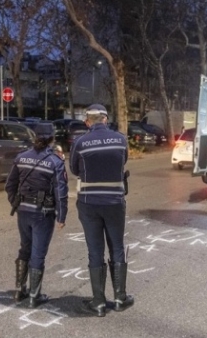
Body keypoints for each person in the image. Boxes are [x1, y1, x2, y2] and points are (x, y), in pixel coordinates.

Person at [69, 104, 134, 317]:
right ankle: (119, 298)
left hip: (89, 204)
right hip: (115, 202)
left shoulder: (80, 142)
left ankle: (98, 303)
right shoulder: (121, 140)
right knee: (117, 246)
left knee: (94, 250)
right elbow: (123, 161)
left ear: (88, 121)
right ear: (105, 119)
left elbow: (74, 169)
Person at [5, 135, 68, 308]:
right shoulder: (55, 162)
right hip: (43, 213)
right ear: (51, 140)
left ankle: (19, 290)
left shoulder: (21, 157)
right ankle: (34, 296)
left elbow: (10, 185)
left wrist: (15, 202)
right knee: (38, 253)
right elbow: (60, 192)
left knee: (24, 247)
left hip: (23, 211)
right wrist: (61, 216)